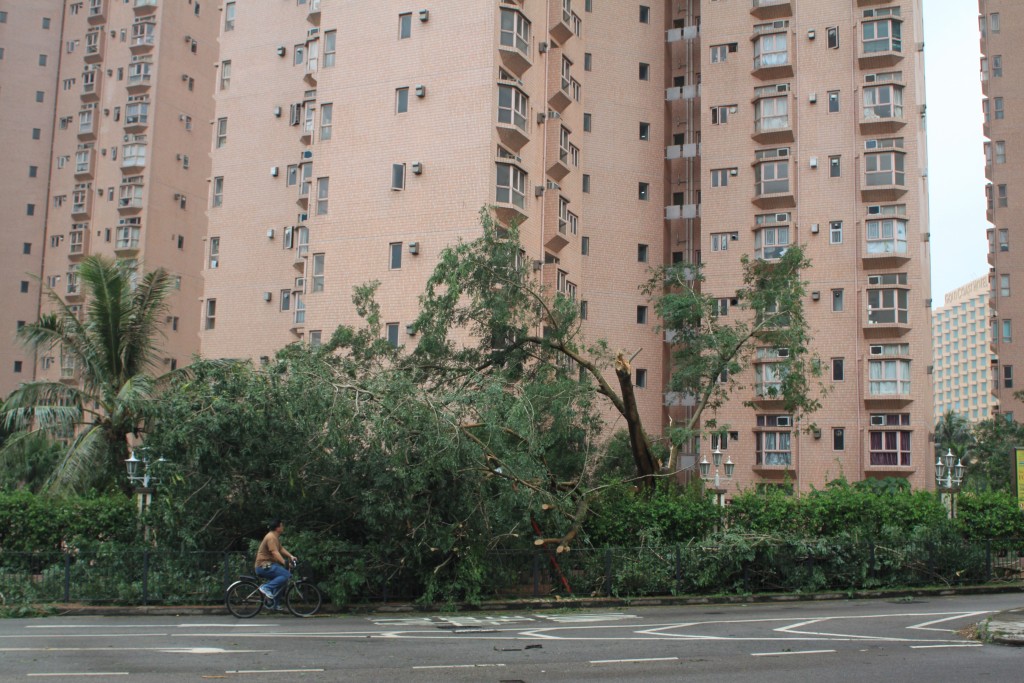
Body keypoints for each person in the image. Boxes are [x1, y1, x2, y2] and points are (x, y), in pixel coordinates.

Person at [254, 518, 296, 610]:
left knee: (282, 581)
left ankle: (274, 605)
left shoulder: (274, 537)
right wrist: (285, 562)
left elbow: (280, 549)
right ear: (277, 528)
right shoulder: (271, 537)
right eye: (281, 525)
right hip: (263, 565)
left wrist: (291, 556)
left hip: (269, 565)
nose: (283, 527)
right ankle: (266, 588)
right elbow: (275, 552)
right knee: (286, 575)